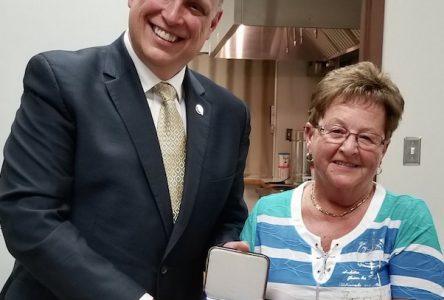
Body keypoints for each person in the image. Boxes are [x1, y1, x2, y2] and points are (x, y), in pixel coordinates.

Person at [0, 0, 250, 299]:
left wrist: (224, 248)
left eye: (194, 6)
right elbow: (28, 216)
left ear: (213, 23)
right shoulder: (60, 80)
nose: (172, 15)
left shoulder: (230, 114)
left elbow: (228, 216)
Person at [237, 62, 444, 299]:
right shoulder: (266, 215)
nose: (349, 148)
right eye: (337, 131)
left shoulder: (406, 219)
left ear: (383, 149)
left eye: (366, 137)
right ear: (310, 136)